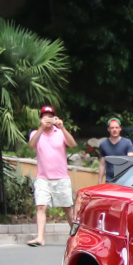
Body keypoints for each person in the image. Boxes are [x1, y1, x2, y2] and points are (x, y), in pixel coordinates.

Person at [27, 105, 77, 247]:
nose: (48, 119)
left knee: (67, 208)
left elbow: (73, 144)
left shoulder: (60, 132)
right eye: (45, 116)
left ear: (55, 118)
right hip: (43, 177)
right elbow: (31, 145)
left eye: (50, 116)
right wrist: (41, 128)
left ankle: (76, 236)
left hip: (61, 177)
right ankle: (40, 237)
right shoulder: (36, 133)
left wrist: (62, 128)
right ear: (41, 119)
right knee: (41, 206)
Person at [97, 117, 133, 184]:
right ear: (108, 129)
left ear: (120, 128)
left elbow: (132, 161)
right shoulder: (103, 144)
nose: (114, 130)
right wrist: (99, 182)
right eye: (112, 128)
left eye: (116, 127)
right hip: (109, 181)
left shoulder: (127, 142)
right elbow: (102, 164)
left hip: (124, 181)